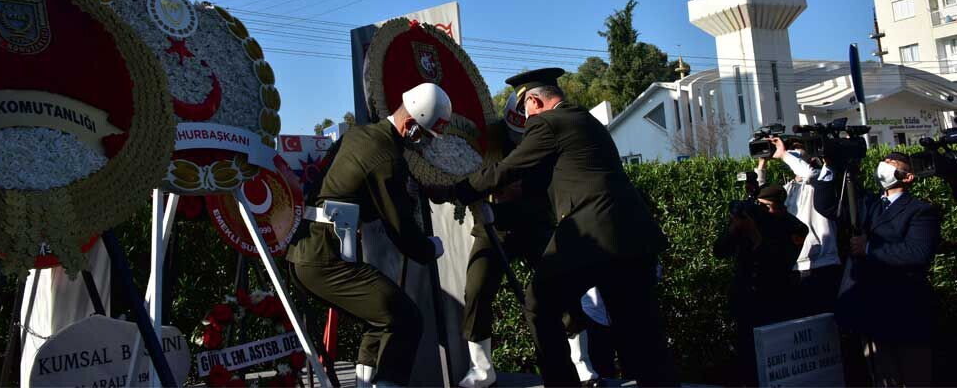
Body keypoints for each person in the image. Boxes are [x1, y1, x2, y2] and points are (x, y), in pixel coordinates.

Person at [452, 68, 675, 387]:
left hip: (592, 235)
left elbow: (509, 167)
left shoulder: (547, 122)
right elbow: (558, 175)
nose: (526, 119)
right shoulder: (585, 122)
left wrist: (460, 188)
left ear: (532, 101)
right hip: (633, 237)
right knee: (639, 333)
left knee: (539, 302)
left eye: (526, 110)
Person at [285, 83, 451, 388]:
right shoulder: (388, 157)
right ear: (410, 125)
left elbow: (348, 192)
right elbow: (399, 228)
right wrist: (429, 248)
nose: (424, 145)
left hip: (309, 252)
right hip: (326, 259)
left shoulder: (358, 135)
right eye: (424, 137)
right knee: (407, 318)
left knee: (380, 317)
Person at [458, 94, 598, 388]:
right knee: (477, 288)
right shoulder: (488, 136)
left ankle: (581, 361)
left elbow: (549, 182)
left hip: (534, 219)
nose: (516, 139)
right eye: (513, 133)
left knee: (562, 285)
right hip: (493, 223)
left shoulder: (546, 131)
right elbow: (470, 172)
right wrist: (480, 201)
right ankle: (481, 368)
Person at [811, 152, 941, 387]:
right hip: (873, 308)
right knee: (883, 376)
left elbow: (917, 252)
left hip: (906, 309)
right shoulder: (868, 203)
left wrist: (869, 249)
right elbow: (827, 205)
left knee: (914, 374)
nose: (885, 166)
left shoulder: (920, 210)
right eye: (885, 161)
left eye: (893, 163)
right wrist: (829, 166)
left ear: (908, 176)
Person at [714, 183, 808, 386]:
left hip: (775, 303)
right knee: (748, 363)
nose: (763, 212)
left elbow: (780, 262)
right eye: (761, 207)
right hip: (746, 303)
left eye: (768, 208)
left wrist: (756, 235)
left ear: (781, 208)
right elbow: (719, 251)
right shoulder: (751, 222)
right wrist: (734, 229)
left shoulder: (793, 228)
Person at [756, 138, 841, 317]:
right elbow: (762, 196)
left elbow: (809, 174)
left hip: (823, 264)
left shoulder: (821, 177)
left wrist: (784, 154)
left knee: (826, 322)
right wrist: (762, 163)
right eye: (789, 149)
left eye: (797, 149)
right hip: (797, 266)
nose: (791, 152)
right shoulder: (789, 188)